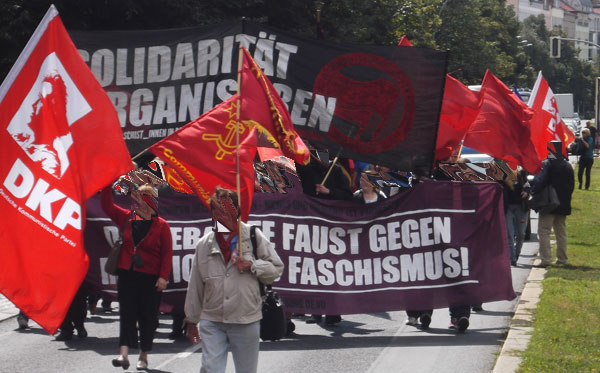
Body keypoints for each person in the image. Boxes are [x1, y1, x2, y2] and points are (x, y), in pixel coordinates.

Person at [185, 187, 284, 373]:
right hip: (212, 319)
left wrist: (252, 265)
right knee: (211, 368)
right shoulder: (203, 244)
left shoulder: (253, 236)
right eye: (216, 209)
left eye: (226, 209)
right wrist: (191, 320)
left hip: (246, 318)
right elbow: (195, 284)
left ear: (236, 210)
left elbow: (276, 269)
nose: (221, 214)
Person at [101, 182, 173, 371]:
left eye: (143, 198)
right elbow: (106, 206)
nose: (138, 201)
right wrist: (107, 183)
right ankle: (123, 354)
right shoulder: (127, 218)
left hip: (150, 278)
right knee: (126, 314)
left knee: (147, 318)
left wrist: (163, 277)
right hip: (127, 274)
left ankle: (144, 355)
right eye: (138, 197)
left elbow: (167, 254)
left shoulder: (161, 226)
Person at [532, 141, 575, 267]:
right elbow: (571, 185)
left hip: (548, 203)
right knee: (560, 232)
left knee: (544, 231)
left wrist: (534, 193)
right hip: (563, 203)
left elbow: (540, 181)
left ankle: (546, 259)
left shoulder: (547, 164)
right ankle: (562, 259)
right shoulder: (567, 165)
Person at [502, 167, 531, 266]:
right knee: (509, 234)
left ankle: (516, 254)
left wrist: (526, 192)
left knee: (521, 234)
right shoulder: (501, 173)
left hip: (521, 208)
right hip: (507, 208)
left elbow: (527, 185)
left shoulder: (521, 173)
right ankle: (512, 258)